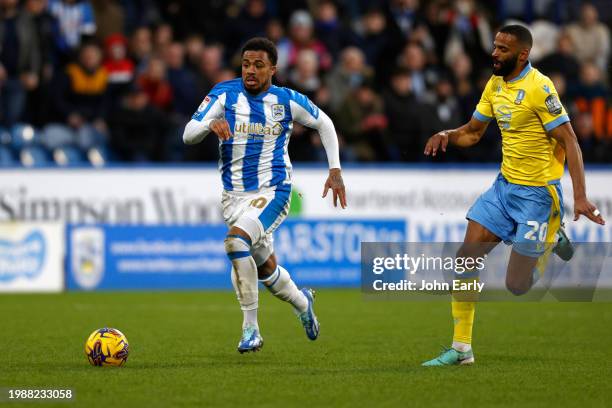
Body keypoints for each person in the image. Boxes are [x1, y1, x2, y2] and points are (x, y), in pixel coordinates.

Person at [421, 25, 605, 366]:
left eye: (503, 49)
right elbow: (474, 133)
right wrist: (448, 134)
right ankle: (461, 350)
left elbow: (571, 141)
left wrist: (579, 197)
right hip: (504, 188)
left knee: (517, 285)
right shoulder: (495, 85)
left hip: (538, 196)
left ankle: (551, 239)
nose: (494, 53)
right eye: (494, 46)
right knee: (466, 257)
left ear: (523, 54)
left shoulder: (540, 87)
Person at [182, 37, 346, 353]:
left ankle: (250, 330)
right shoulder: (224, 94)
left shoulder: (286, 100)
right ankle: (302, 302)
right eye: (246, 64)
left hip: (273, 191)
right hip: (234, 197)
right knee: (265, 268)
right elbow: (188, 134)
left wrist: (335, 170)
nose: (251, 71)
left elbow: (324, 123)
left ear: (273, 68)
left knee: (235, 242)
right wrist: (210, 124)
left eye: (258, 65)